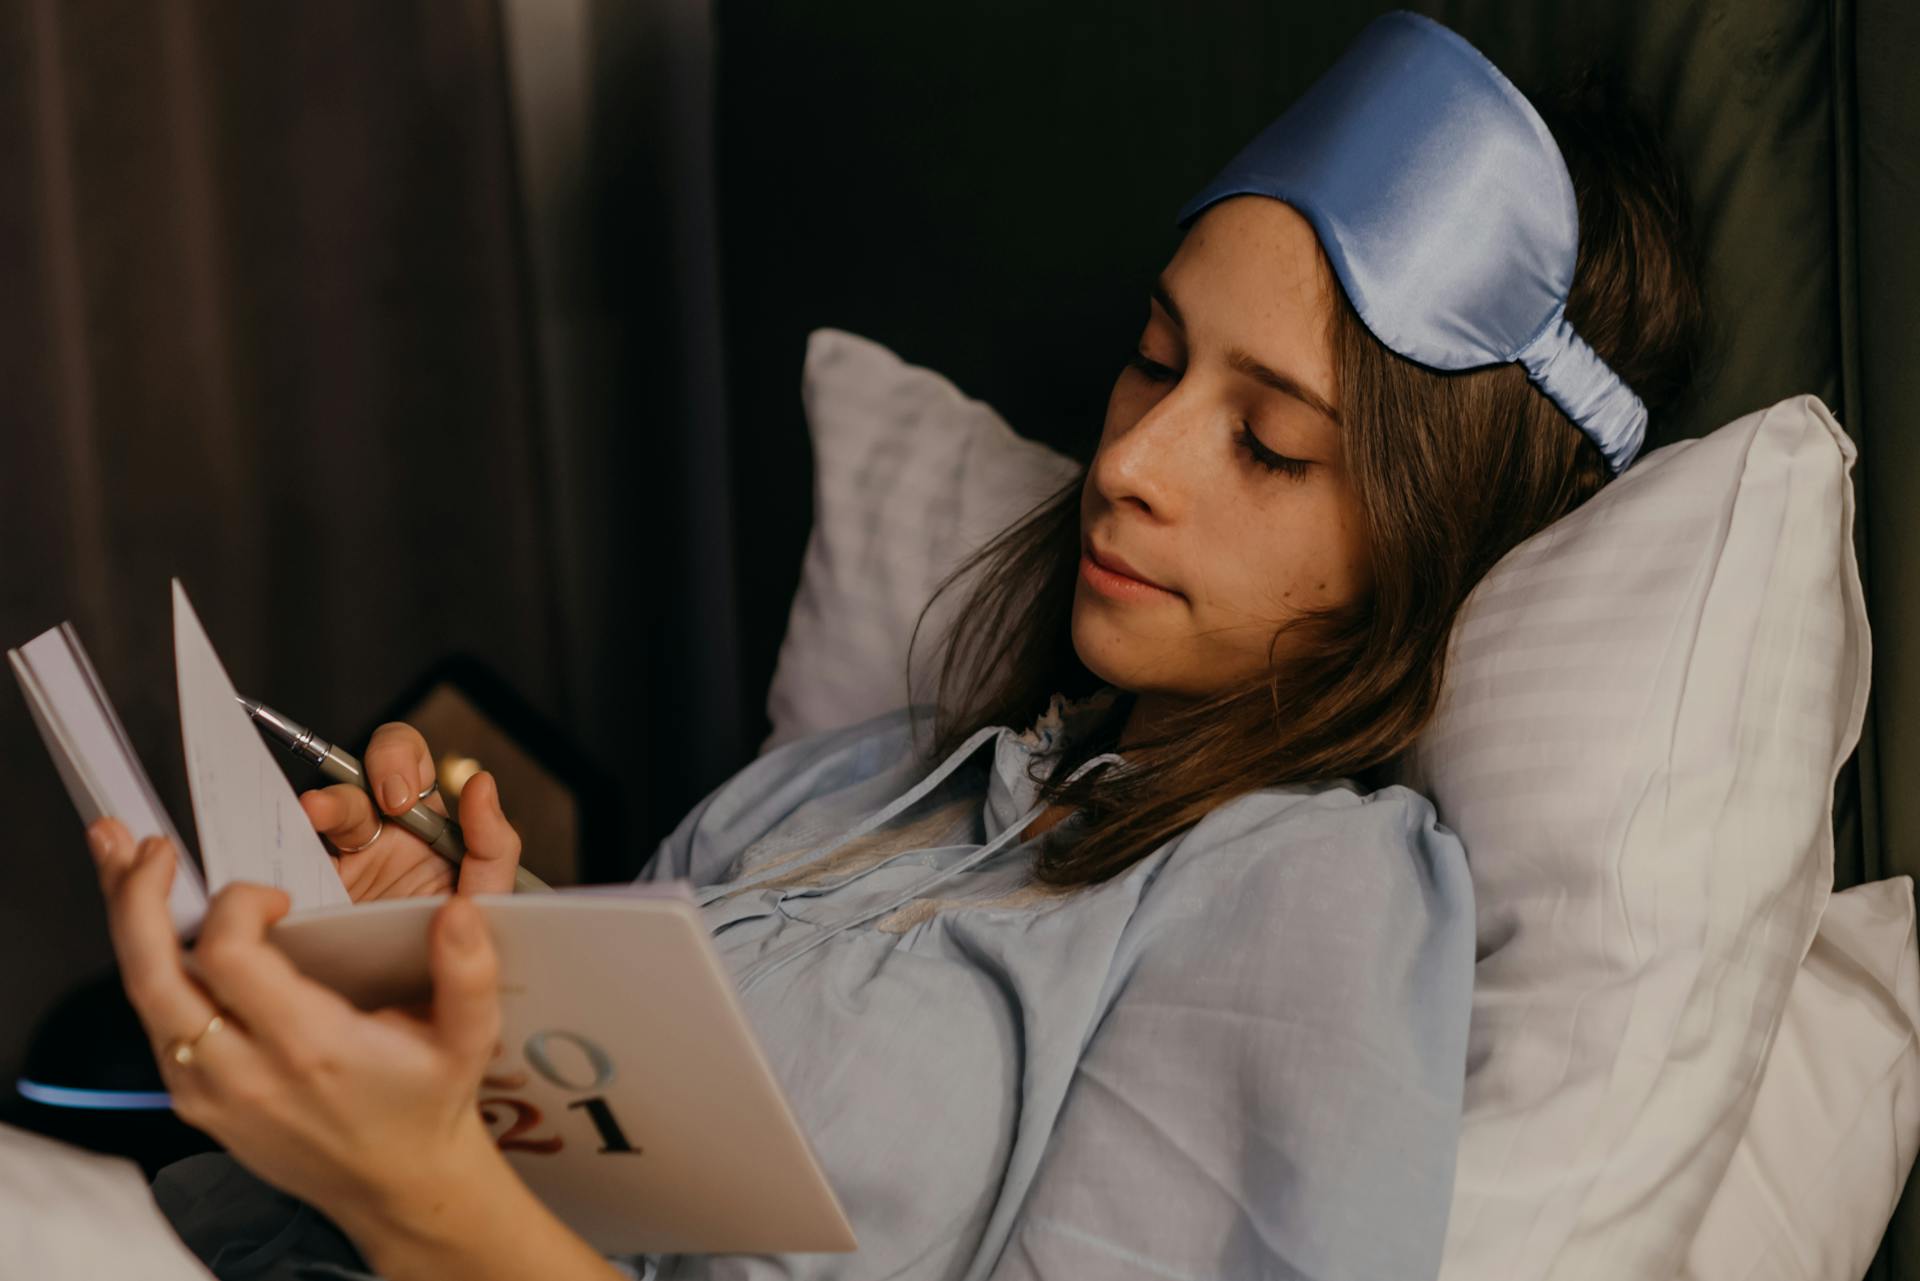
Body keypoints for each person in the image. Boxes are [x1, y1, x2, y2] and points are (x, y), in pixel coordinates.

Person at [83, 13, 1705, 1280]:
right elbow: (616, 1180)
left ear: (1422, 556)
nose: (1128, 461)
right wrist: (459, 976)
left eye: (1270, 445)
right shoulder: (853, 780)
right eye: (1154, 362)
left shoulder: (1309, 898)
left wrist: (430, 1190)